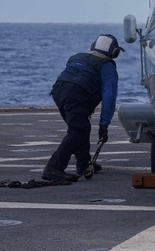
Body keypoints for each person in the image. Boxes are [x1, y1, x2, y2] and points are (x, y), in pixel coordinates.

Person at [42, 34, 122, 182]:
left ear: (93, 46)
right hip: (77, 94)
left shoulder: (76, 56)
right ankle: (54, 168)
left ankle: (83, 163)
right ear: (114, 52)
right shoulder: (107, 64)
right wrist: (104, 124)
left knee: (80, 127)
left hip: (59, 92)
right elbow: (109, 95)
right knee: (78, 131)